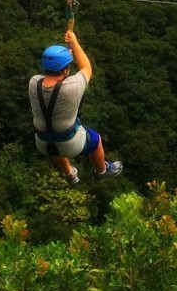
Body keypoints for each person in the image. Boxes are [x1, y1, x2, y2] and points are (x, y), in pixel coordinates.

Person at [29, 29, 123, 185]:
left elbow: (51, 81)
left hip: (43, 143)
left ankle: (69, 174)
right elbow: (87, 68)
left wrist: (65, 56)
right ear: (65, 69)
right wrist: (74, 42)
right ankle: (102, 171)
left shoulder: (33, 82)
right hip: (69, 144)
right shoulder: (71, 87)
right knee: (95, 140)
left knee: (53, 134)